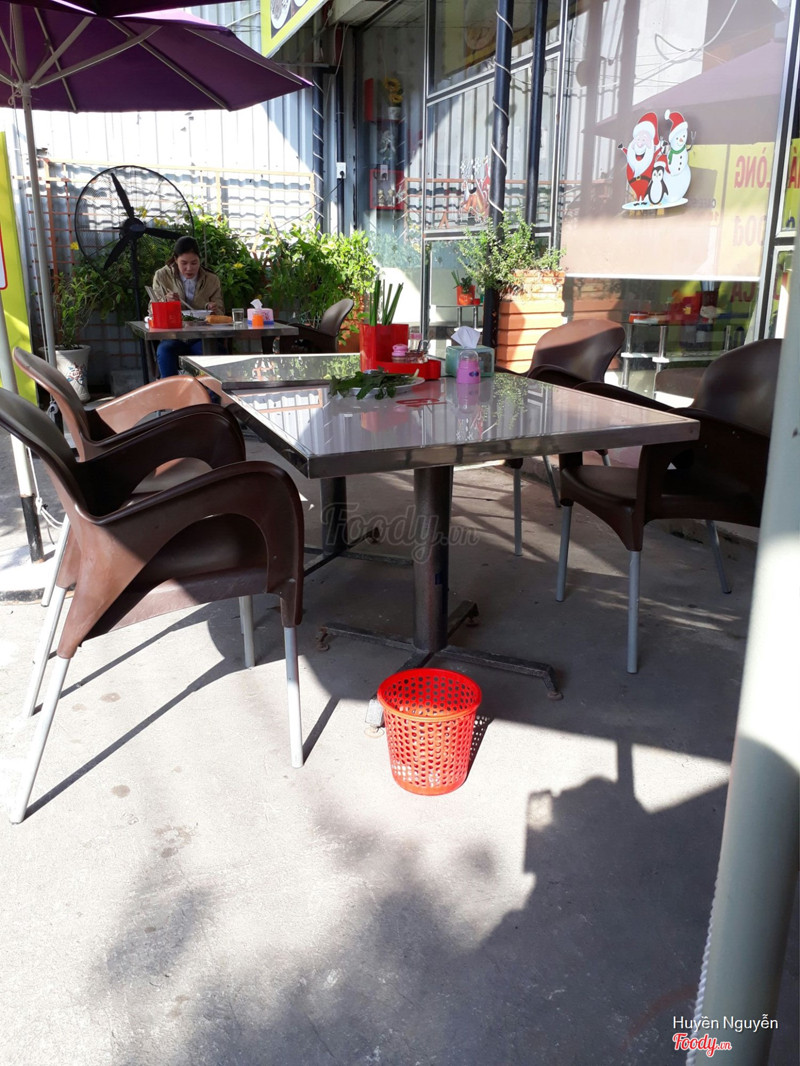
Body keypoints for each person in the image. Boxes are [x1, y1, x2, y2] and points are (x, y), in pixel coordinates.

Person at [150, 236, 224, 377]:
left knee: (213, 354)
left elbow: (220, 311)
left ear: (200, 261)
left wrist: (213, 308)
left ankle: (208, 391)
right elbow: (152, 310)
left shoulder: (211, 279)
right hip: (173, 337)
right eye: (183, 263)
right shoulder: (162, 276)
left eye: (194, 263)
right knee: (165, 352)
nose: (189, 268)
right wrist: (165, 301)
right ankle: (172, 391)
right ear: (175, 260)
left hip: (202, 337)